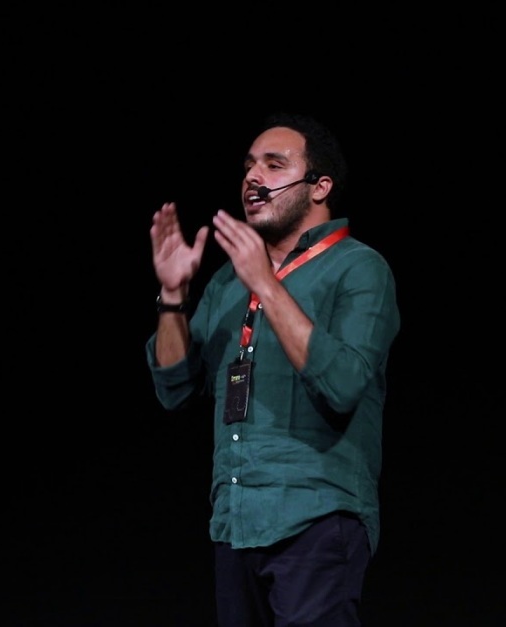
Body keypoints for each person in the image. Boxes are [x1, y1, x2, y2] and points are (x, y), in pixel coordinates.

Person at [145, 112, 401, 626]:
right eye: (248, 166)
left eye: (274, 165)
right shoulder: (227, 282)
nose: (253, 178)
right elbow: (174, 387)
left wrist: (267, 283)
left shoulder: (359, 267)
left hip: (317, 516)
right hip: (235, 522)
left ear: (319, 187)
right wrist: (173, 296)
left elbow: (344, 384)